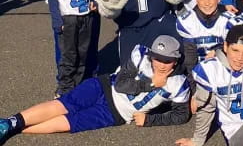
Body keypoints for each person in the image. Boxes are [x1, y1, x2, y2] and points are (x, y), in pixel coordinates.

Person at [0, 35, 190, 142]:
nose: (161, 64)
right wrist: (149, 84)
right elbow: (122, 84)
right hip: (104, 86)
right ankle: (10, 122)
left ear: (175, 61)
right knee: (63, 105)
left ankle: (13, 129)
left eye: (167, 60)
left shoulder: (178, 84)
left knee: (70, 123)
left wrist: (150, 120)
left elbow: (181, 115)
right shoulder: (140, 55)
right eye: (158, 58)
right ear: (151, 55)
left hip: (116, 113)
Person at [176, 0, 231, 93]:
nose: (207, 3)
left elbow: (234, 51)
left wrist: (218, 51)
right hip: (199, 74)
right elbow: (190, 60)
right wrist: (194, 90)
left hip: (224, 72)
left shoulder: (229, 19)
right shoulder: (187, 21)